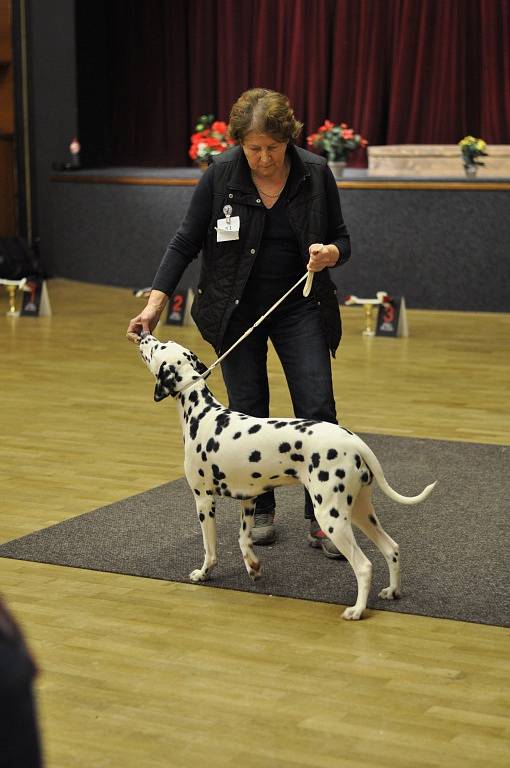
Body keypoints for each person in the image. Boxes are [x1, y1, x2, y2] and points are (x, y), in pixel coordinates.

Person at [127, 88, 351, 558]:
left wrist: (330, 254)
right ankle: (261, 507)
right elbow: (185, 241)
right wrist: (154, 305)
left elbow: (341, 240)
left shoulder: (314, 173)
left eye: (273, 147)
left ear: (289, 140)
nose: (264, 158)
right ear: (239, 145)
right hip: (234, 309)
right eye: (254, 149)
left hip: (300, 306)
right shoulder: (220, 174)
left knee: (317, 405)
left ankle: (324, 517)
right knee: (246, 412)